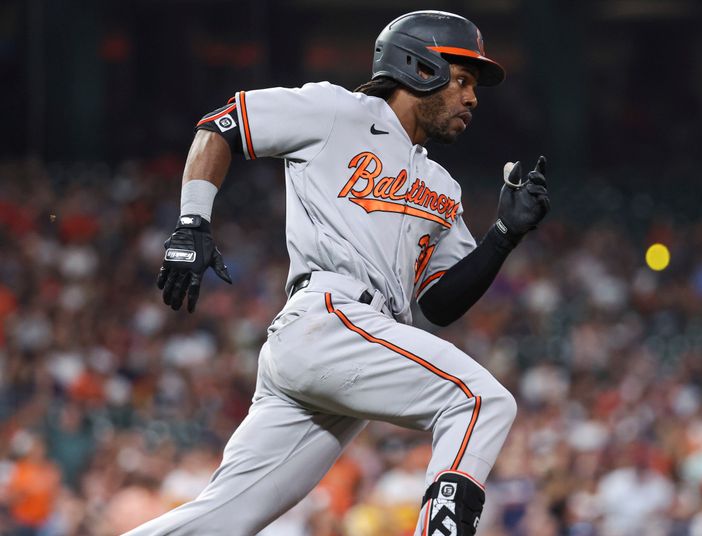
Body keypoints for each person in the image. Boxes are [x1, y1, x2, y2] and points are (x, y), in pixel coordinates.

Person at [126, 10, 549, 536]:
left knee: (219, 520)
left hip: (356, 344)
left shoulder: (442, 184)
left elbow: (440, 304)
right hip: (329, 317)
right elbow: (222, 125)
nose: (473, 98)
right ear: (421, 68)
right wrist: (192, 221)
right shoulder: (336, 111)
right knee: (481, 401)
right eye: (462, 80)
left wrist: (503, 237)